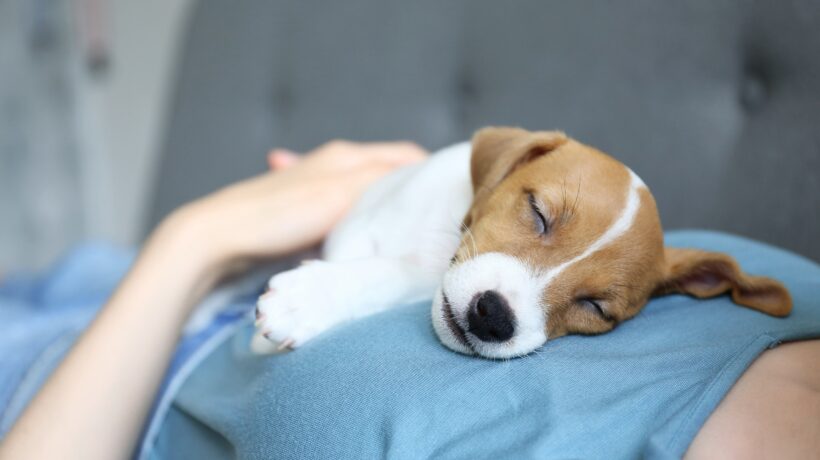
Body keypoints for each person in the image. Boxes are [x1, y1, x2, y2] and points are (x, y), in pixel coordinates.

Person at [0, 140, 818, 459]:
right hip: (157, 285)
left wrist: (196, 239)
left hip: (86, 396)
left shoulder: (668, 284)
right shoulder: (793, 301)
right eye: (536, 218)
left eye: (592, 308)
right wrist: (208, 239)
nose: (510, 302)